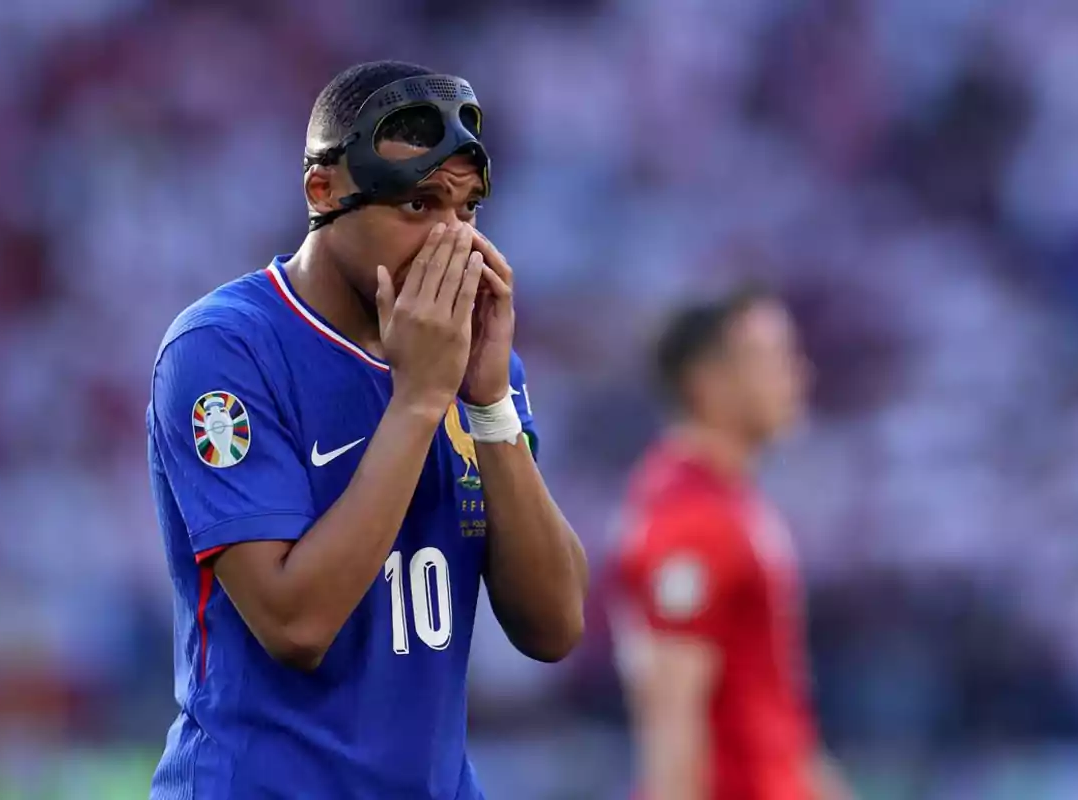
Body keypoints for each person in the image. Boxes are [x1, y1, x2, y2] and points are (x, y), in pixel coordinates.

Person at [146, 60, 588, 800]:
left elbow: (555, 627)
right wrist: (417, 401)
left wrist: (487, 406)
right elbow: (297, 625)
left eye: (466, 210)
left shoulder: (478, 364)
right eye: (418, 205)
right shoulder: (224, 350)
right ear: (324, 191)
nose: (451, 242)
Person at [608, 287, 852, 800]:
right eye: (773, 357)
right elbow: (672, 718)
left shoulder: (727, 506)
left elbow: (777, 722)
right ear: (708, 381)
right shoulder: (692, 524)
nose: (797, 374)